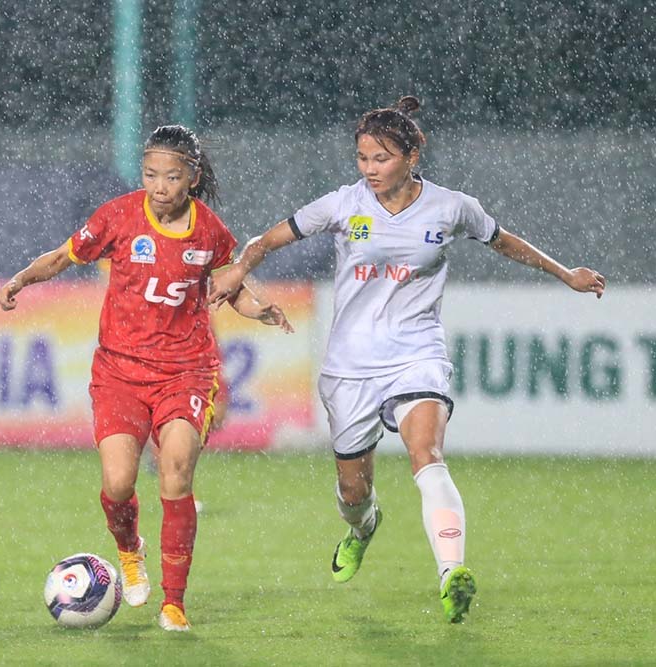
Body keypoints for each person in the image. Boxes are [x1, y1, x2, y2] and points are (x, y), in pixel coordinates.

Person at [208, 96, 606, 623]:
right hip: (349, 364)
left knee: (427, 454)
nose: (369, 169)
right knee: (354, 490)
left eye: (381, 158)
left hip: (417, 352)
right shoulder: (342, 204)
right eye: (362, 158)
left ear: (412, 156)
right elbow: (266, 240)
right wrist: (240, 267)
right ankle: (362, 526)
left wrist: (566, 275)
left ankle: (452, 573)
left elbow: (504, 242)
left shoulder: (452, 207)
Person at [0, 125, 292, 632]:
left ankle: (174, 602)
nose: (159, 187)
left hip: (186, 371)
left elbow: (230, 286)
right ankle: (129, 550)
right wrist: (22, 278)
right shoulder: (118, 215)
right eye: (151, 174)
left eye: (172, 176)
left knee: (177, 472)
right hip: (119, 372)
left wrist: (258, 310)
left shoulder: (210, 231)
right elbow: (64, 256)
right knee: (117, 483)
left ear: (192, 179)